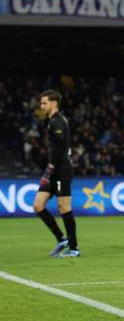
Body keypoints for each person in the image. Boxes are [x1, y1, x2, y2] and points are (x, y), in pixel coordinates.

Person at [33, 90, 80, 258]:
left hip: (61, 170)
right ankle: (62, 239)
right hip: (53, 170)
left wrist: (51, 166)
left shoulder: (58, 121)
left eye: (44, 103)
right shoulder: (52, 121)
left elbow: (60, 146)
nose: (41, 106)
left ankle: (74, 248)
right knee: (38, 205)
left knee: (64, 207)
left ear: (54, 103)